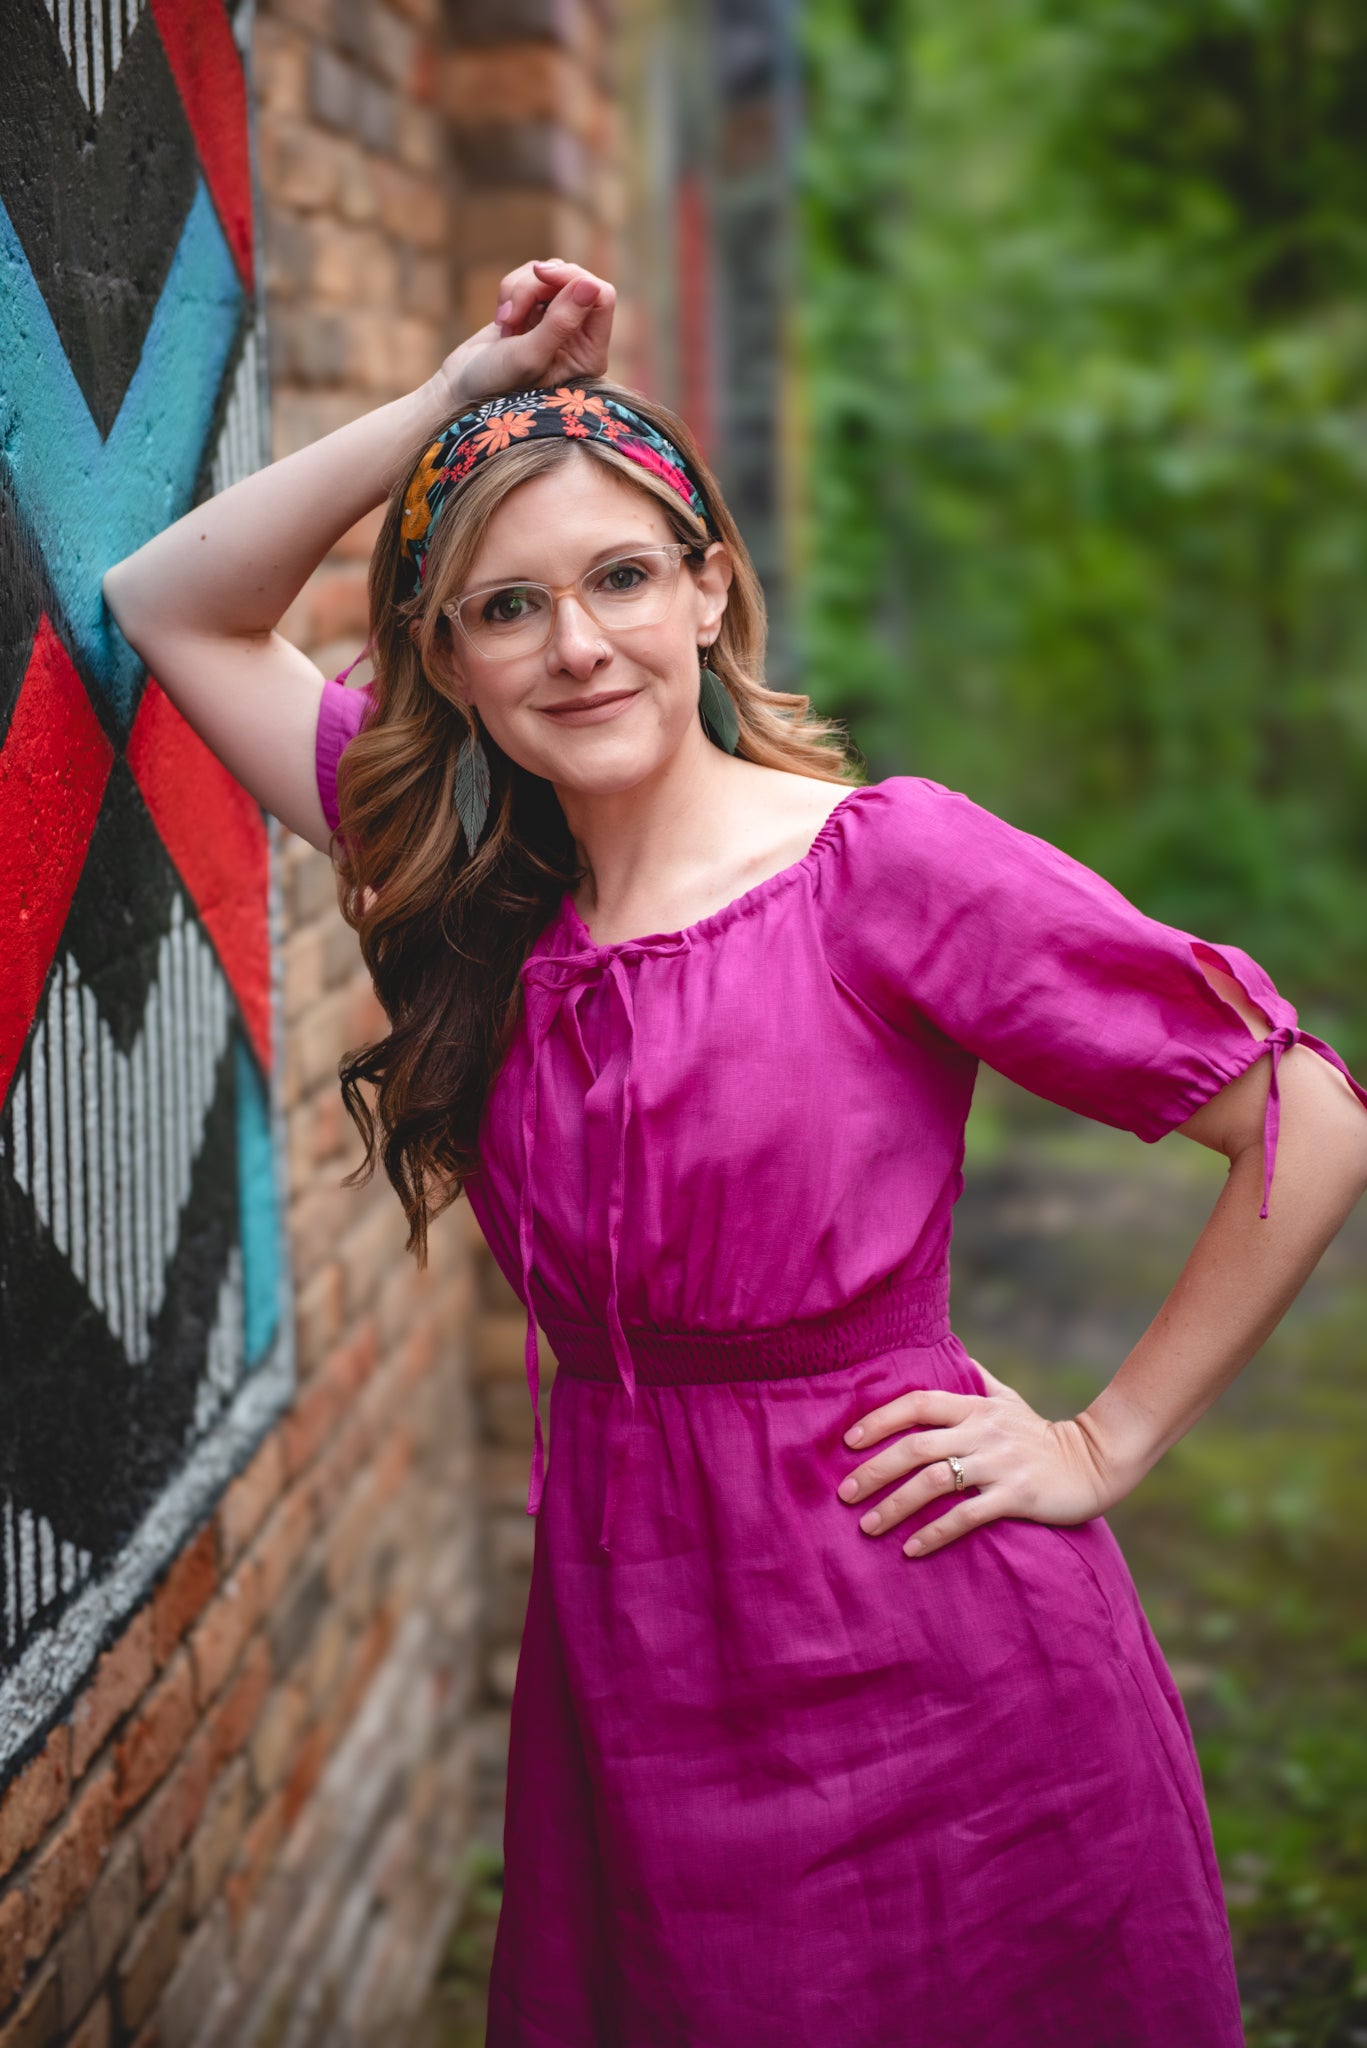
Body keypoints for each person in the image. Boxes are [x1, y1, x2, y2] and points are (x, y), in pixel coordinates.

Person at [104, 258, 1367, 2048]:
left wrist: (1105, 1438)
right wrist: (459, 398)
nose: (579, 645)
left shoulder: (887, 868)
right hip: (635, 1657)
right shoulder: (470, 893)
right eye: (507, 610)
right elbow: (175, 605)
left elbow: (1301, 1114)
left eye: (624, 577)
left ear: (709, 591)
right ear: (448, 666)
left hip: (931, 1650)